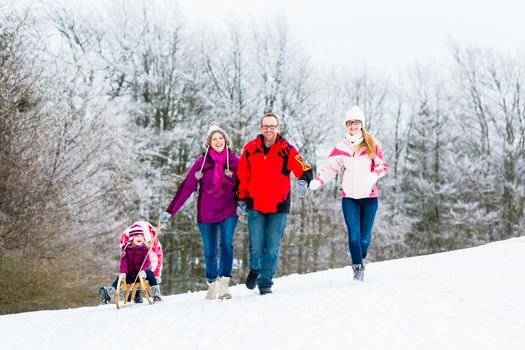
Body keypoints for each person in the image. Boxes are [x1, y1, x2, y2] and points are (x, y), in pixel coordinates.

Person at [159, 123, 239, 300]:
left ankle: (224, 285)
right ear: (208, 143)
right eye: (214, 139)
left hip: (229, 209)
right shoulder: (201, 163)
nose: (218, 141)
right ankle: (212, 284)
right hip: (206, 212)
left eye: (220, 138)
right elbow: (186, 188)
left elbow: (246, 183)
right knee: (209, 250)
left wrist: (243, 201)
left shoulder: (234, 161)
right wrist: (170, 211)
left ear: (226, 141)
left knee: (226, 243)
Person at [236, 112, 313, 295]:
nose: (269, 129)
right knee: (256, 244)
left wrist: (303, 181)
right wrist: (241, 199)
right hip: (255, 204)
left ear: (278, 128)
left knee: (272, 246)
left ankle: (265, 282)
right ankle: (255, 268)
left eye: (272, 126)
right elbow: (242, 177)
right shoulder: (250, 149)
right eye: (265, 126)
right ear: (261, 128)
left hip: (279, 205)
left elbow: (304, 169)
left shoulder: (287, 150)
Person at [309, 106, 388, 281]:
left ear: (362, 124)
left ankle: (362, 255)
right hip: (349, 198)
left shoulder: (371, 144)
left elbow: (383, 166)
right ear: (346, 125)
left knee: (364, 240)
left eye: (356, 122)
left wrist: (373, 175)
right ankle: (358, 269)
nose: (353, 125)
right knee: (354, 236)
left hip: (369, 198)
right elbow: (330, 168)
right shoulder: (341, 147)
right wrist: (319, 180)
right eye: (350, 123)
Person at [99, 221, 163, 304]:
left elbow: (147, 262)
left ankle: (156, 295)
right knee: (119, 278)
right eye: (137, 236)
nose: (140, 238)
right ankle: (109, 293)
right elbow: (124, 263)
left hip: (142, 275)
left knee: (150, 273)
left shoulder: (144, 250)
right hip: (131, 276)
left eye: (141, 236)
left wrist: (143, 271)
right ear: (131, 238)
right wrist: (124, 273)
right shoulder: (126, 250)